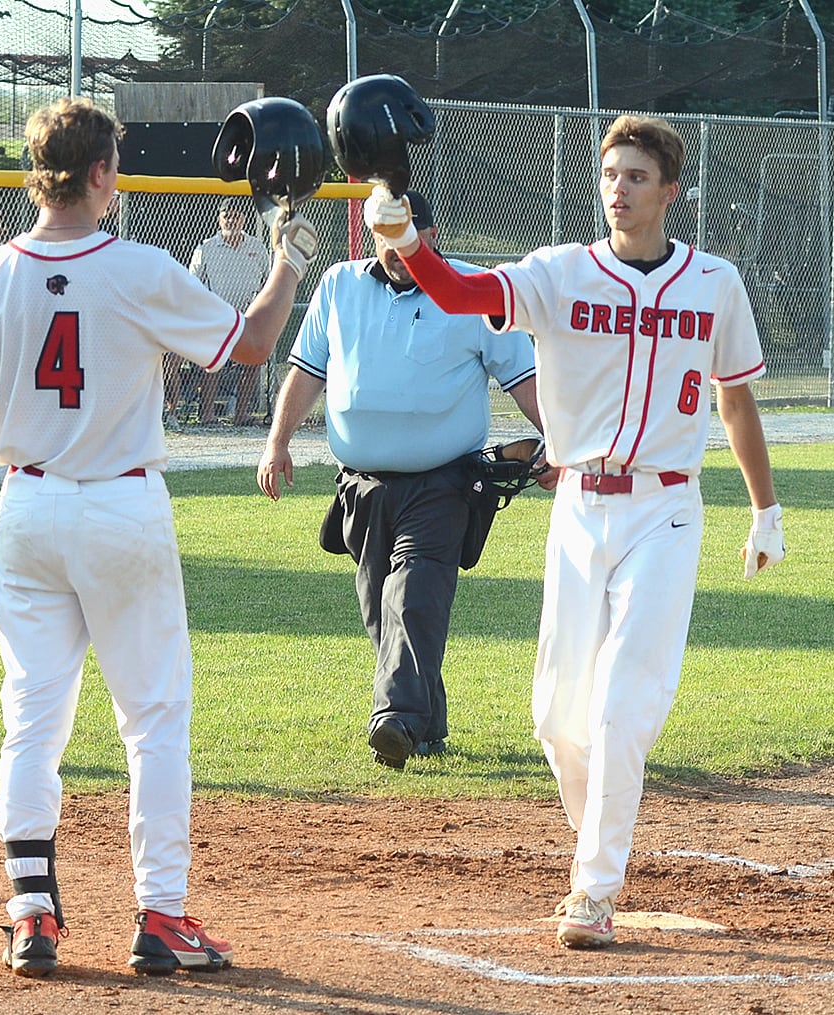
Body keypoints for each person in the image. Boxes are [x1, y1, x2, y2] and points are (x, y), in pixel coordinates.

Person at [0, 96, 318, 978]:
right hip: (123, 507)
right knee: (154, 719)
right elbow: (249, 347)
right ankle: (162, 916)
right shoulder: (138, 266)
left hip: (27, 508)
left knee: (32, 718)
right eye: (115, 164)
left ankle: (30, 913)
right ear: (99, 173)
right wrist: (288, 265)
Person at [365, 115, 786, 948]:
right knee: (557, 719)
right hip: (578, 506)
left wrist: (764, 508)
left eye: (635, 175)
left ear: (669, 190)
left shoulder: (714, 282)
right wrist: (407, 240)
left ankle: (592, 889)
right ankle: (600, 842)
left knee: (621, 705)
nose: (618, 189)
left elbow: (734, 400)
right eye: (609, 174)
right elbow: (460, 294)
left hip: (665, 508)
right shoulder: (558, 273)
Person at [257, 190, 554, 770]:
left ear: (429, 235)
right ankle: (427, 723)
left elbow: (525, 377)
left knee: (414, 593)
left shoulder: (471, 292)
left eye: (408, 238)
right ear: (373, 235)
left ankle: (394, 719)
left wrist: (561, 446)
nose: (397, 250)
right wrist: (277, 442)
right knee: (381, 609)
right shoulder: (339, 286)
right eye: (387, 238)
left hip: (444, 481)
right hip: (363, 484)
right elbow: (306, 370)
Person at [165, 197, 271, 427]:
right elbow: (193, 283)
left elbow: (267, 280)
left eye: (236, 215)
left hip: (247, 316)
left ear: (244, 219)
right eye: (227, 216)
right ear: (219, 218)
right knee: (215, 360)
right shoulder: (207, 248)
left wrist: (257, 305)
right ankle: (207, 414)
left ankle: (241, 414)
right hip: (215, 316)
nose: (232, 220)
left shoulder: (257, 247)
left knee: (255, 360)